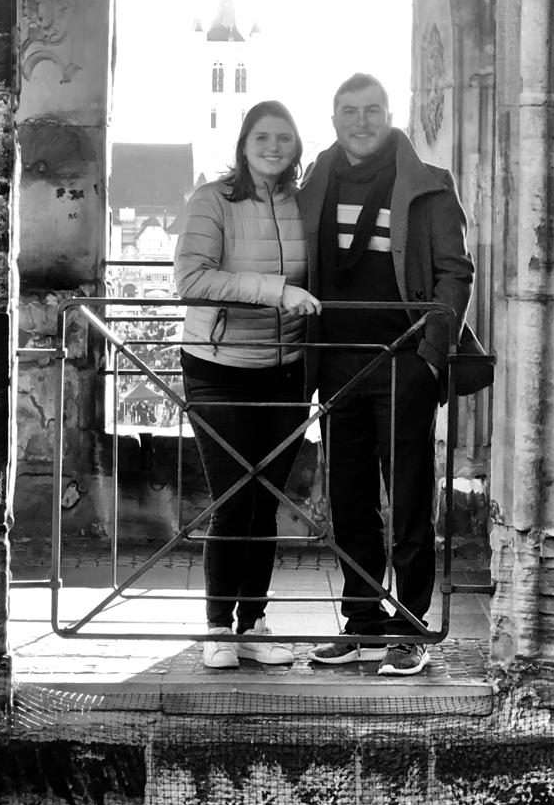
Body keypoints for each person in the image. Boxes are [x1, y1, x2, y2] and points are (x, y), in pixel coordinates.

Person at [298, 73, 473, 676]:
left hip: (403, 362)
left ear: (389, 114)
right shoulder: (315, 182)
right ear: (334, 119)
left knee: (409, 498)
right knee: (349, 500)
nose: (361, 121)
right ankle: (362, 622)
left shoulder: (428, 184)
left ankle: (413, 626)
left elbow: (455, 273)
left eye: (372, 110)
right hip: (337, 362)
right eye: (350, 111)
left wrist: (430, 356)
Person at [174, 101, 321, 670]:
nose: (273, 146)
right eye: (262, 136)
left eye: (284, 137)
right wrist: (277, 291)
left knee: (264, 507)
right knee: (233, 501)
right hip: (219, 366)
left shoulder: (304, 203)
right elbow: (191, 278)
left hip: (286, 371)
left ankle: (253, 623)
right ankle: (217, 629)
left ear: (297, 146)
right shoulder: (212, 199)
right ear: (243, 144)